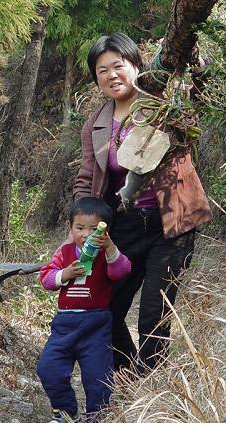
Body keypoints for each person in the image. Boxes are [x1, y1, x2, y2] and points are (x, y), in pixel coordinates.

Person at [73, 32, 211, 373]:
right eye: (101, 71)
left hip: (172, 224)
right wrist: (81, 221)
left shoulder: (163, 104)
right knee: (106, 312)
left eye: (118, 66)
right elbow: (87, 176)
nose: (111, 75)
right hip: (124, 227)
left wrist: (198, 65)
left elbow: (199, 95)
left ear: (136, 66)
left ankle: (150, 391)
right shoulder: (96, 125)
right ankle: (132, 378)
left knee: (154, 315)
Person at [37, 196, 131, 423]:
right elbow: (46, 279)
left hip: (96, 323)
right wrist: (65, 274)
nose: (85, 234)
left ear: (104, 230)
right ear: (70, 228)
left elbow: (122, 270)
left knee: (98, 375)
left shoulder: (106, 254)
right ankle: (65, 413)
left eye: (92, 229)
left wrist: (109, 247)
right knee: (49, 368)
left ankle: (96, 420)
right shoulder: (65, 253)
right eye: (79, 228)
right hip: (65, 324)